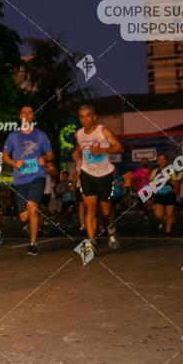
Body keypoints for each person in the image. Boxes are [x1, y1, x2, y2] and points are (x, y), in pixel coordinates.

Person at [2, 105, 53, 255]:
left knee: (32, 208)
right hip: (20, 180)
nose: (27, 114)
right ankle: (40, 218)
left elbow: (50, 154)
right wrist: (14, 163)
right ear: (20, 116)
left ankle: (33, 244)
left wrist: (44, 158)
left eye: (30, 112)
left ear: (33, 117)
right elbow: (4, 155)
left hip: (37, 177)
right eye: (24, 112)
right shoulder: (13, 136)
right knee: (24, 216)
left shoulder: (41, 135)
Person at [75, 104, 123, 254]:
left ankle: (111, 230)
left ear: (94, 117)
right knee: (90, 208)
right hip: (87, 174)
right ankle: (91, 243)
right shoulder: (79, 134)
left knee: (106, 211)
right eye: (82, 116)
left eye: (88, 115)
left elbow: (119, 147)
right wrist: (78, 156)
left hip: (104, 175)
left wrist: (101, 149)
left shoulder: (103, 130)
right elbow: (78, 149)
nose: (85, 119)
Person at [151, 153, 178, 238]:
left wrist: (169, 179)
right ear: (157, 161)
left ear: (166, 160)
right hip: (159, 194)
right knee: (158, 215)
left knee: (169, 215)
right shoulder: (154, 171)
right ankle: (162, 220)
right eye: (160, 159)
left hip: (169, 194)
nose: (161, 160)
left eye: (163, 159)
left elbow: (175, 184)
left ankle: (167, 232)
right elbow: (151, 184)